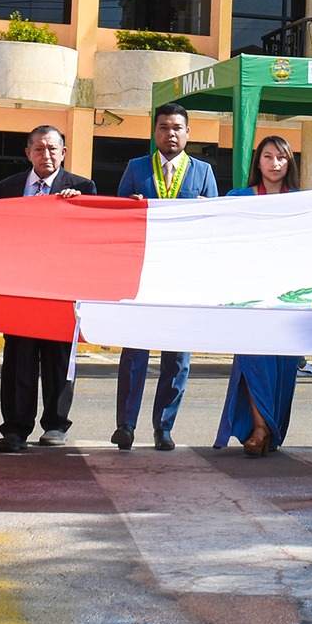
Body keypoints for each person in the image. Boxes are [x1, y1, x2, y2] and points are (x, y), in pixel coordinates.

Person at [112, 102, 219, 451]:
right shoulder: (136, 167)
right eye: (163, 127)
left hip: (183, 278)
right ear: (154, 132)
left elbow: (215, 226)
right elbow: (119, 218)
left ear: (188, 133)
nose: (170, 133)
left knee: (177, 357)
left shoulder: (203, 172)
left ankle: (164, 427)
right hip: (143, 274)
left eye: (176, 127)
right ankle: (125, 426)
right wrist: (132, 206)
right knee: (134, 354)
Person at [0, 125, 96, 452]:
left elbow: (91, 237)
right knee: (18, 360)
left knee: (58, 360)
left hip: (62, 289)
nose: (46, 155)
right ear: (28, 153)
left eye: (53, 149)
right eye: (39, 149)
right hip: (20, 289)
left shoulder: (82, 188)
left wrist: (77, 208)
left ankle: (55, 425)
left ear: (64, 153)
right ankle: (15, 428)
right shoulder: (7, 188)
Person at [215, 135, 304, 457]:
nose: (275, 164)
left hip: (287, 298)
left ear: (289, 163)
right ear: (258, 162)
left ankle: (269, 429)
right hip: (251, 296)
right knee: (255, 362)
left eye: (281, 158)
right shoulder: (238, 198)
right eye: (268, 157)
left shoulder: (302, 202)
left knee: (281, 366)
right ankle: (259, 428)